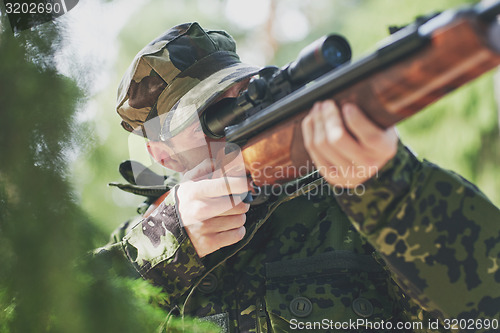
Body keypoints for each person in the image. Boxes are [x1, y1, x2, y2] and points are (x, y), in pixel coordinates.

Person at [101, 22, 500, 332]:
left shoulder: (351, 202)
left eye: (245, 92)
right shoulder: (137, 246)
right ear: (163, 154)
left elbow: (486, 309)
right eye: (210, 115)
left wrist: (395, 189)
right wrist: (166, 243)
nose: (242, 114)